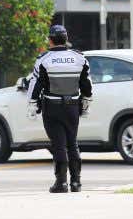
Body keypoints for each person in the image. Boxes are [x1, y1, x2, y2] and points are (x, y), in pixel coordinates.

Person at [27, 25, 93, 193]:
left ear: (50, 40)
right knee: (72, 143)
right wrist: (87, 100)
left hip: (52, 107)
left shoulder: (44, 59)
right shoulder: (79, 58)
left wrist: (32, 104)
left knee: (59, 145)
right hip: (72, 107)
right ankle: (76, 183)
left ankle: (61, 183)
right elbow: (87, 83)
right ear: (66, 38)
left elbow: (36, 84)